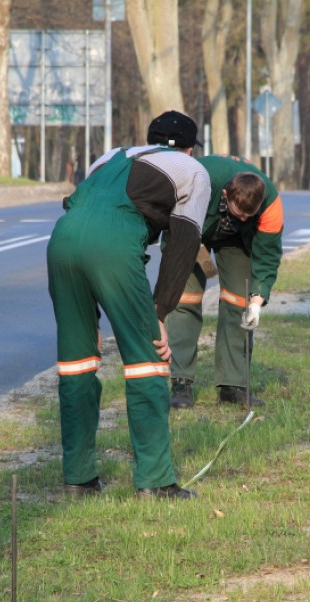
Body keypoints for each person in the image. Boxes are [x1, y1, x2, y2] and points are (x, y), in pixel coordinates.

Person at [46, 111, 211, 500]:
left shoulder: (110, 156)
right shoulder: (193, 171)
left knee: (76, 363)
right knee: (148, 361)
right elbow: (183, 245)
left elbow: (81, 209)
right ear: (190, 149)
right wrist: (159, 313)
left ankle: (78, 479)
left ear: (149, 139)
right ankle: (155, 481)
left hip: (62, 242)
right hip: (113, 245)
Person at [165, 155, 284, 409]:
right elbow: (172, 225)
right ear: (226, 195)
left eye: (249, 216)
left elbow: (267, 257)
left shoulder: (270, 206)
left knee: (239, 302)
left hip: (236, 241)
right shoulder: (198, 181)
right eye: (239, 213)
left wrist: (256, 302)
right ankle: (181, 384)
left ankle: (233, 386)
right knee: (184, 300)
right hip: (192, 232)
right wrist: (195, 262)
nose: (244, 219)